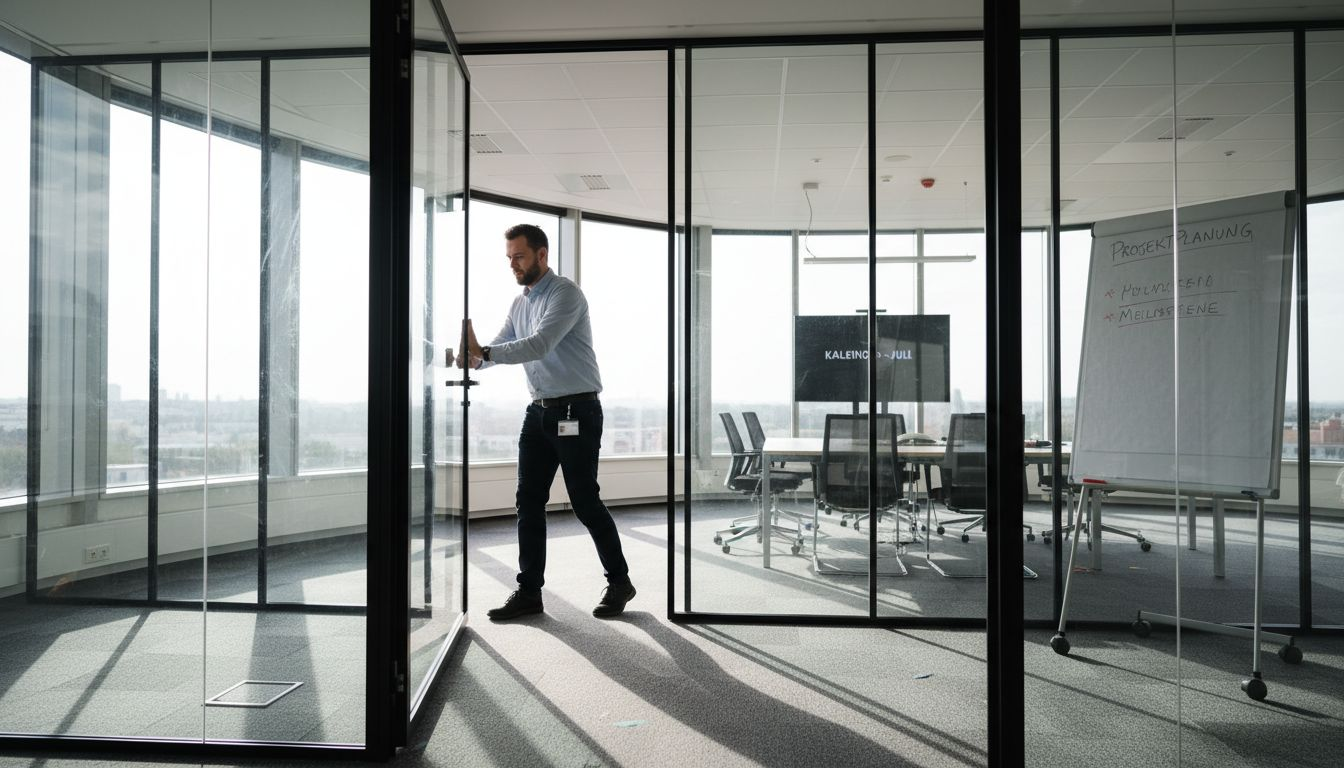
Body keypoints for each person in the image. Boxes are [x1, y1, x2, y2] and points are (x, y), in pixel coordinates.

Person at [458, 223, 636, 621]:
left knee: (585, 502)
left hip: (577, 411)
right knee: (528, 502)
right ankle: (529, 592)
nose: (513, 265)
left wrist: (483, 349)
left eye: (519, 256)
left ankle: (620, 581)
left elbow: (539, 344)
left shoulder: (565, 294)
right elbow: (498, 348)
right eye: (509, 258)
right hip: (539, 411)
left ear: (542, 254)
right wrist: (470, 357)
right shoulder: (519, 303)